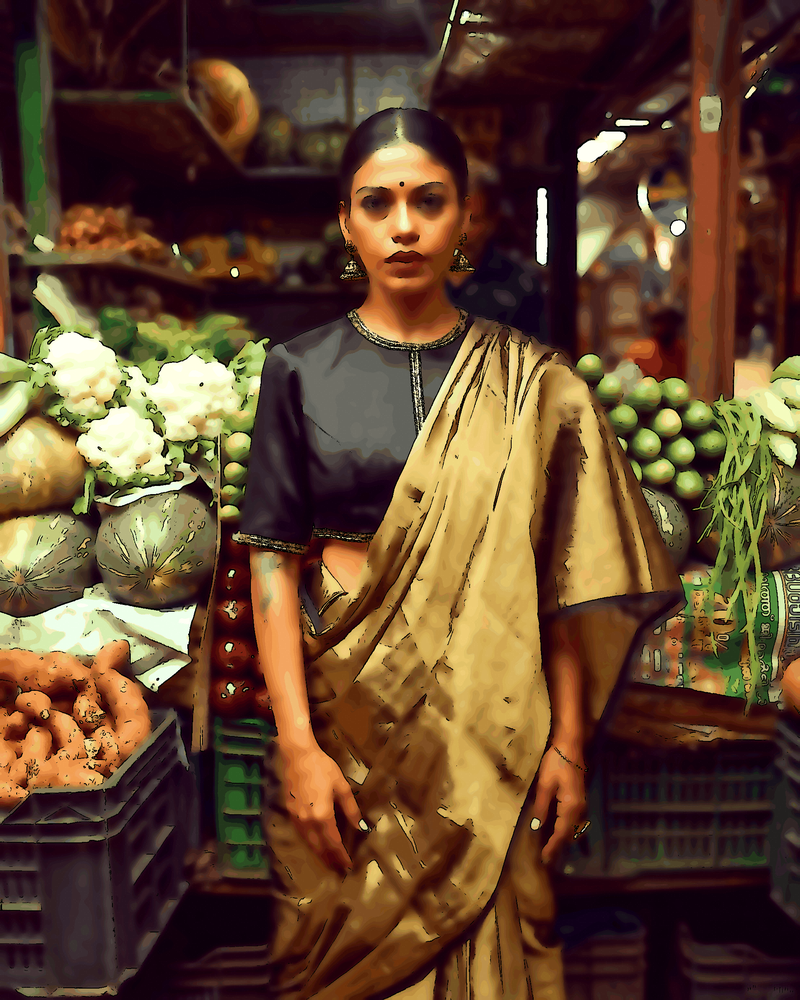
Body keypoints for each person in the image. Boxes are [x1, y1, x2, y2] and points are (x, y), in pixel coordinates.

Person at [233, 108, 683, 999]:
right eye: (378, 203)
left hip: (495, 728)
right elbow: (272, 563)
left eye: (428, 201)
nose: (403, 226)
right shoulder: (297, 370)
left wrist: (568, 745)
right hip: (347, 720)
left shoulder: (533, 382)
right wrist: (297, 746)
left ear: (466, 215)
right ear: (346, 221)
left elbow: (557, 579)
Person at [446, 159, 558, 349]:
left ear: (493, 221)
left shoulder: (521, 284)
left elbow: (535, 356)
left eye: (475, 220)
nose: (463, 230)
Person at [623, 305, 686, 380]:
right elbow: (626, 377)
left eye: (671, 322)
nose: (667, 327)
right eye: (662, 322)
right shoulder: (638, 350)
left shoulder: (683, 350)